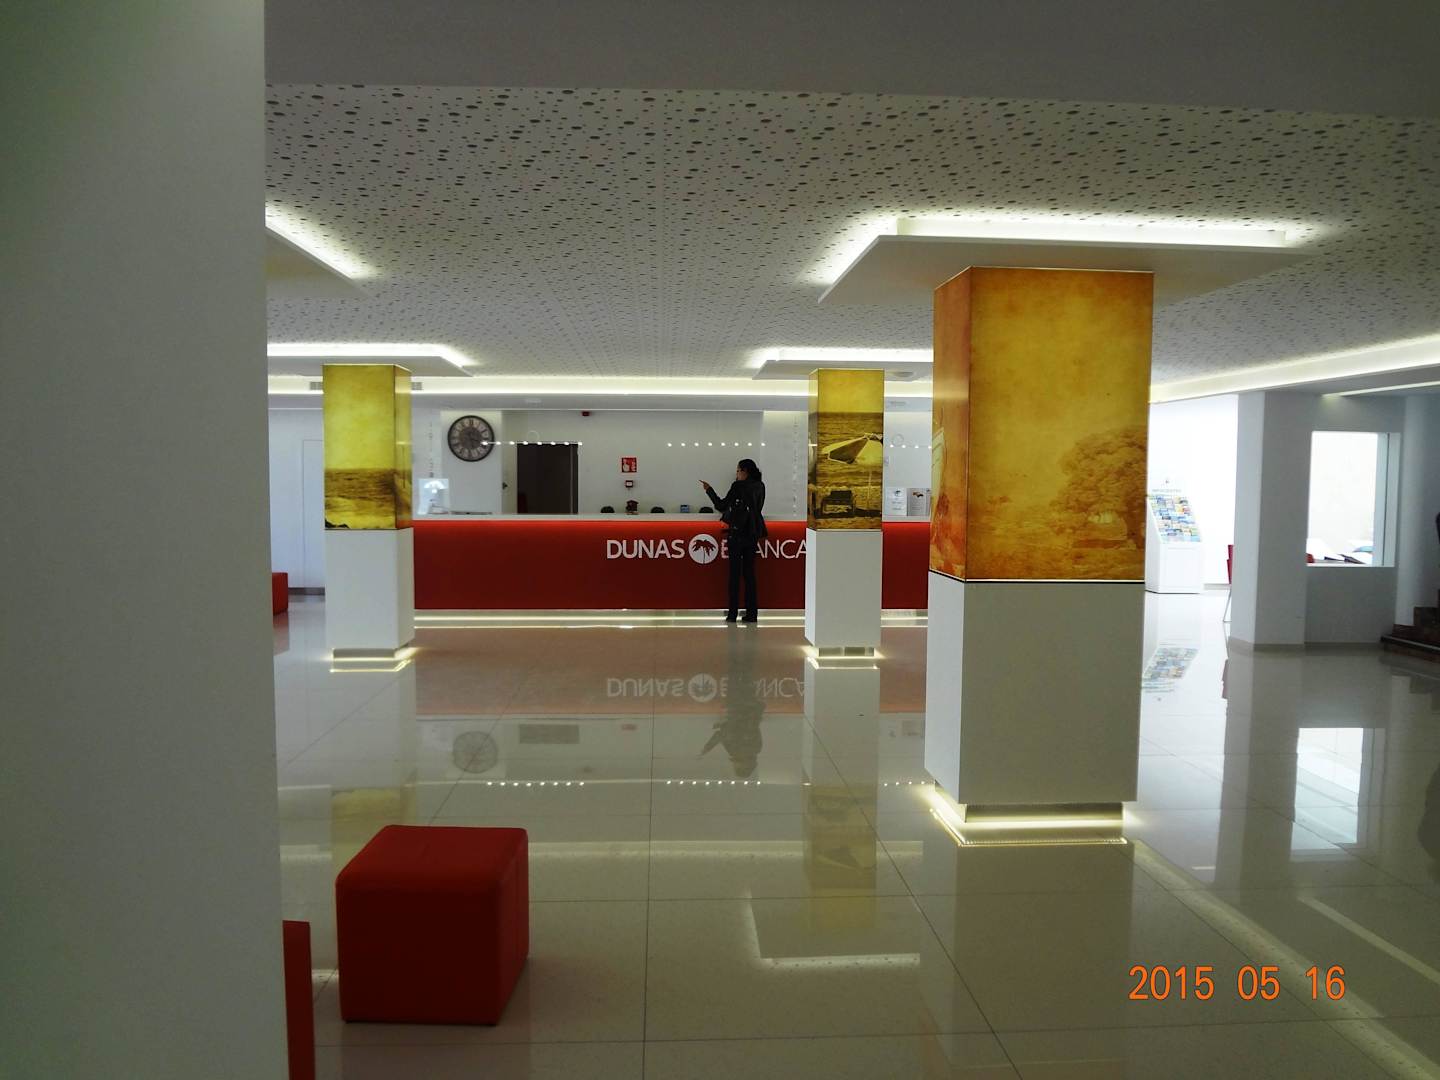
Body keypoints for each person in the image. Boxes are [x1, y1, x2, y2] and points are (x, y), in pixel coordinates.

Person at [701, 458, 766, 622]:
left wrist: (709, 490)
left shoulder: (738, 486)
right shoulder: (760, 486)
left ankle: (732, 614)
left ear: (745, 471)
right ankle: (752, 614)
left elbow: (721, 505)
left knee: (734, 575)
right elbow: (758, 509)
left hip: (736, 534)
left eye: (738, 470)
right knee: (750, 575)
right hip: (752, 533)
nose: (736, 474)